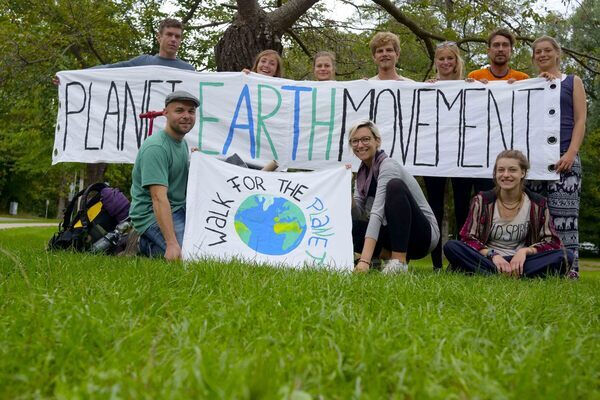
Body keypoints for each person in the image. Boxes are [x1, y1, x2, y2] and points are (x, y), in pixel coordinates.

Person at [444, 150, 573, 278]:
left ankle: (490, 272)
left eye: (512, 170)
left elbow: (552, 241)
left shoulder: (538, 203)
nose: (506, 175)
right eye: (501, 170)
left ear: (522, 173)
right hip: (488, 258)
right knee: (452, 246)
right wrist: (492, 255)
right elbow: (467, 238)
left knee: (566, 256)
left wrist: (525, 251)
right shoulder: (482, 200)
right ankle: (512, 274)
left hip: (522, 261)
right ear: (495, 173)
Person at [527, 35, 587, 278]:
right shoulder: (530, 84)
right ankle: (537, 270)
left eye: (547, 50)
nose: (542, 55)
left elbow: (580, 120)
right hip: (535, 161)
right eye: (538, 52)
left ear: (557, 54)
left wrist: (571, 153)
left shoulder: (573, 81)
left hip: (564, 157)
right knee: (535, 218)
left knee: (565, 219)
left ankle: (569, 270)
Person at [350, 120, 439, 274]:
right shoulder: (362, 174)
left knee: (395, 186)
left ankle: (398, 262)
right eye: (355, 141)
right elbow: (358, 215)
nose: (360, 145)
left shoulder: (388, 166)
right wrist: (347, 192)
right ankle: (383, 257)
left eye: (365, 139)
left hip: (422, 237)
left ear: (377, 141)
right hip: (391, 233)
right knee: (352, 226)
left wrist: (364, 260)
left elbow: (377, 213)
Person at [129, 90, 199, 261]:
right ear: (165, 113)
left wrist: (198, 163)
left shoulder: (182, 143)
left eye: (191, 111)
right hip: (151, 215)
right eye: (179, 110)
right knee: (190, 257)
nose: (186, 116)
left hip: (179, 208)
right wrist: (171, 243)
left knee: (208, 245)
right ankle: (140, 241)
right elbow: (158, 198)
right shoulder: (156, 147)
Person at [424, 41, 466, 270]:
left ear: (456, 61)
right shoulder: (426, 88)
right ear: (436, 62)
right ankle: (437, 263)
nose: (446, 62)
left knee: (462, 207)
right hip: (433, 156)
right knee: (435, 208)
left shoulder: (469, 86)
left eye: (450, 58)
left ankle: (461, 260)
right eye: (441, 58)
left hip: (462, 156)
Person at [53, 18, 194, 84]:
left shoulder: (188, 71)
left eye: (177, 36)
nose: (173, 39)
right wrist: (71, 77)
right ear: (159, 37)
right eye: (169, 35)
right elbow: (110, 69)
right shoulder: (143, 62)